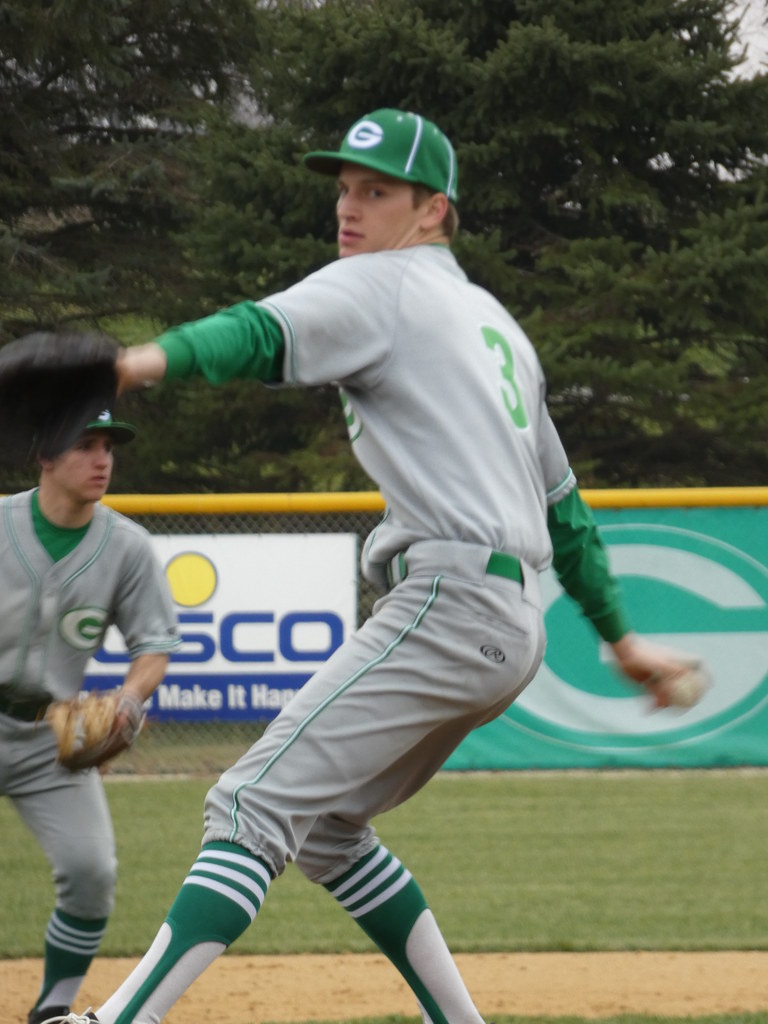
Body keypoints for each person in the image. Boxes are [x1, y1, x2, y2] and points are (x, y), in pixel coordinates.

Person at [48, 109, 698, 1024]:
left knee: (246, 803)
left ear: (433, 211)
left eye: (378, 190)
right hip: (512, 626)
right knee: (327, 832)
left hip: (450, 601)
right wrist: (624, 643)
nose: (349, 208)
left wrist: (130, 363)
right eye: (345, 189)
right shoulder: (498, 330)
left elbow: (256, 332)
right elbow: (565, 510)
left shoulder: (384, 283)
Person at [0, 410, 181, 1024]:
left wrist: (129, 699)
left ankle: (53, 1008)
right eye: (85, 445)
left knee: (91, 871)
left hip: (47, 739)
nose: (102, 459)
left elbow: (153, 647)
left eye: (108, 446)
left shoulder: (126, 546)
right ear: (45, 456)